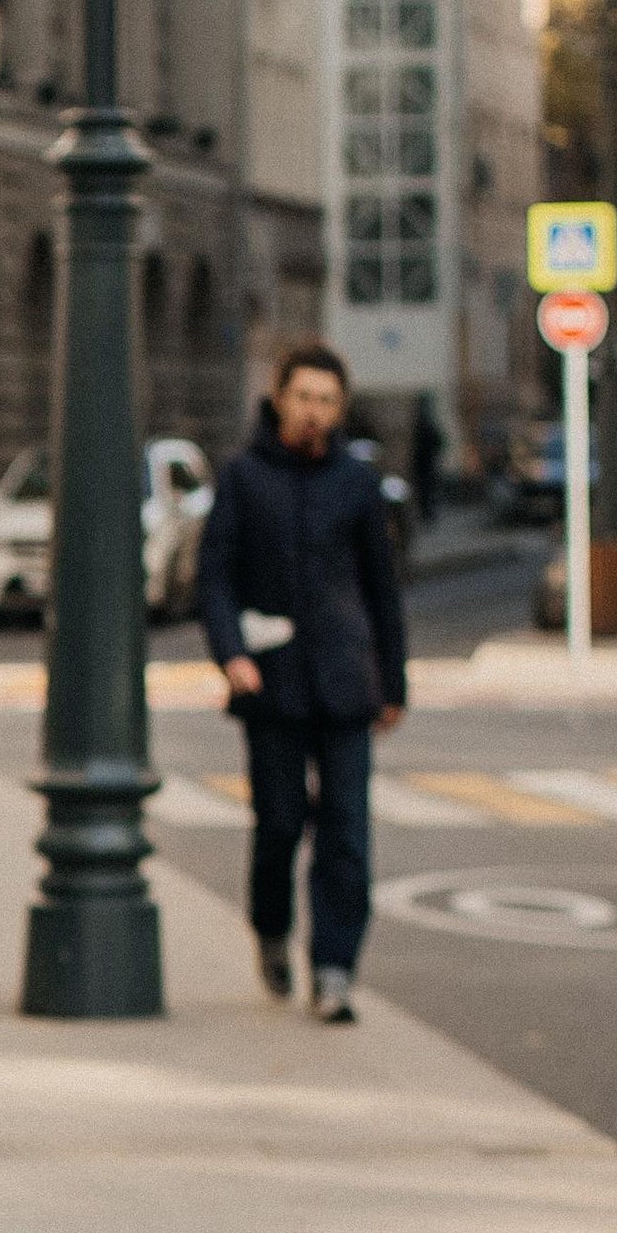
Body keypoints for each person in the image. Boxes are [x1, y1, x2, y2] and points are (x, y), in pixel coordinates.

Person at [197, 340, 407, 1024]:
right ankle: (271, 929)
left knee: (346, 830)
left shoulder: (355, 482)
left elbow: (383, 587)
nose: (315, 412)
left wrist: (393, 682)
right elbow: (216, 576)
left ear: (339, 409)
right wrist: (231, 653)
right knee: (281, 824)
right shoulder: (243, 477)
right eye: (304, 398)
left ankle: (335, 968)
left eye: (327, 401)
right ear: (280, 399)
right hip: (272, 683)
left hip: (346, 679)